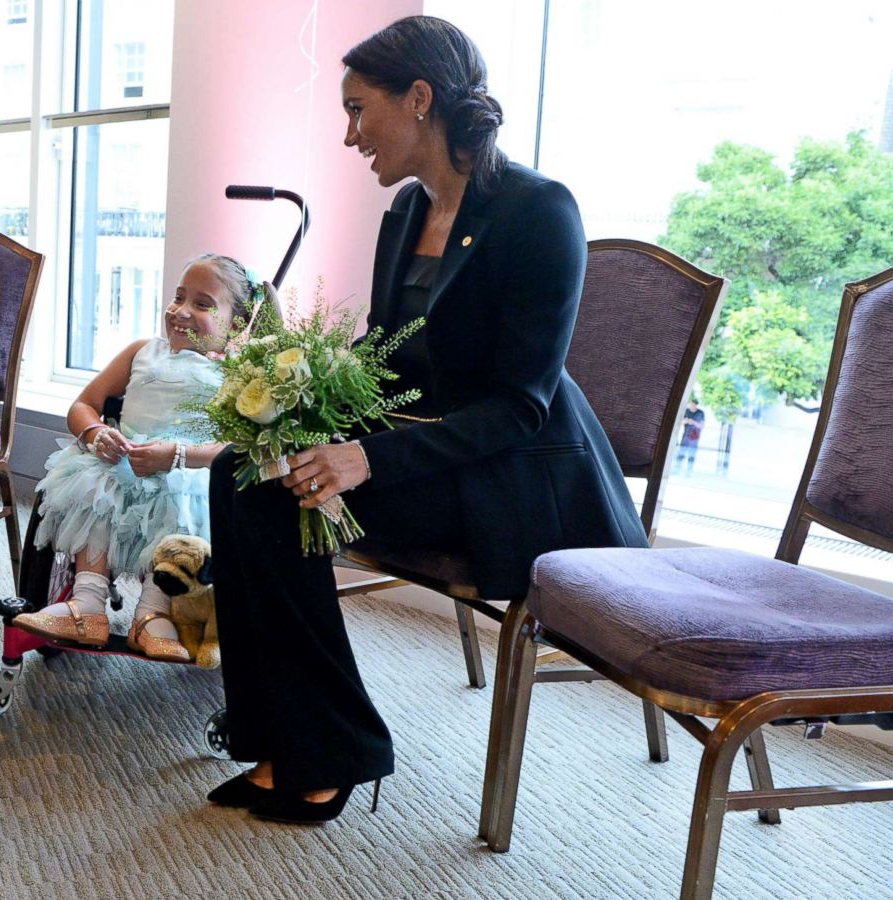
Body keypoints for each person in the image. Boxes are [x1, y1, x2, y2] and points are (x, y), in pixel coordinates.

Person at [205, 16, 648, 825]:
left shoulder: (539, 211)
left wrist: (364, 461)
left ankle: (333, 750)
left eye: (355, 109)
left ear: (419, 99)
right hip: (435, 455)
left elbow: (520, 407)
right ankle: (275, 734)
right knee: (242, 469)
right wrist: (305, 408)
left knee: (276, 500)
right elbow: (389, 363)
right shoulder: (407, 212)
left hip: (517, 478)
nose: (348, 136)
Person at [9, 254, 254, 662]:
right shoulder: (144, 351)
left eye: (203, 304)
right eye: (178, 297)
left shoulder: (237, 375)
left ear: (237, 324)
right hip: (123, 461)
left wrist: (177, 455)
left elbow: (239, 446)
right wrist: (97, 431)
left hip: (186, 470)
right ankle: (87, 604)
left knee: (178, 499)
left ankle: (152, 614)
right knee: (94, 482)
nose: (181, 312)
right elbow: (84, 404)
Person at [676, 398, 704, 474]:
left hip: (694, 437)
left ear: (696, 405)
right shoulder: (686, 411)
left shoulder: (700, 413)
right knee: (681, 453)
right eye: (691, 404)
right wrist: (686, 421)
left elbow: (701, 426)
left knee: (692, 455)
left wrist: (693, 422)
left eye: (694, 405)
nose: (692, 406)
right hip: (685, 436)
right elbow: (680, 422)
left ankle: (689, 471)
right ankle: (677, 469)